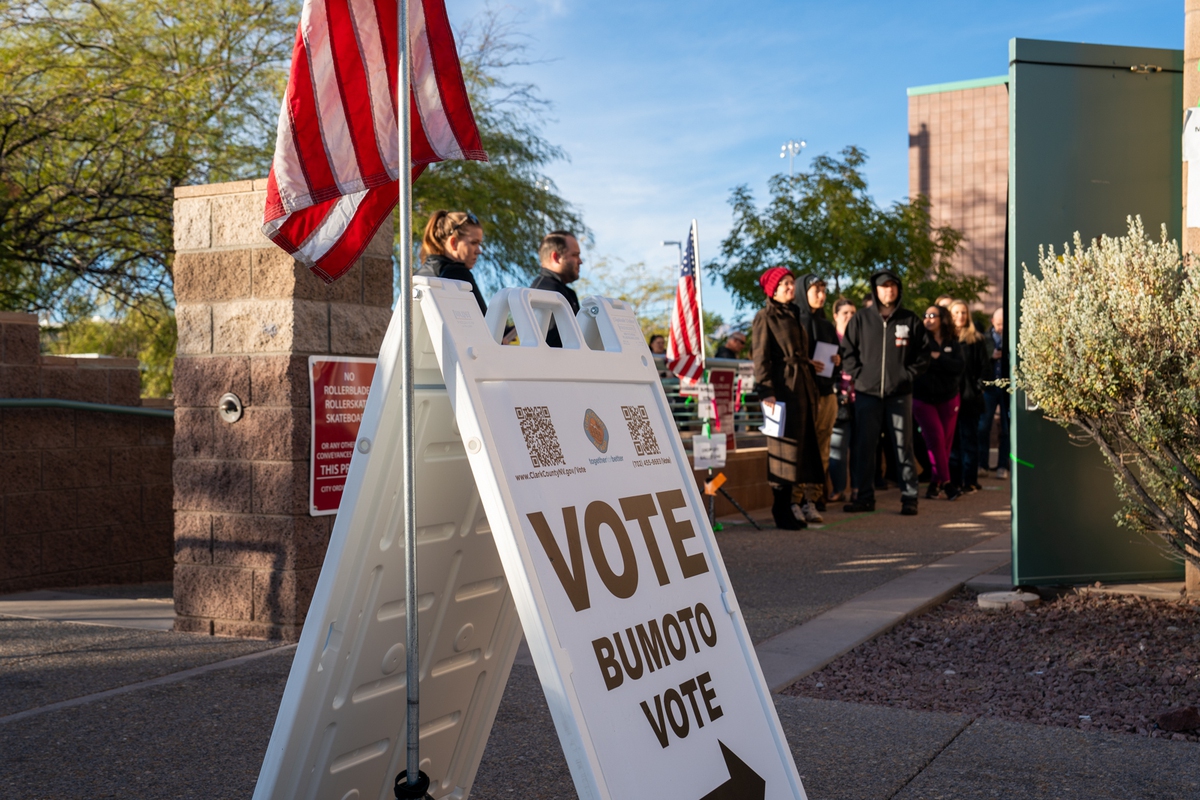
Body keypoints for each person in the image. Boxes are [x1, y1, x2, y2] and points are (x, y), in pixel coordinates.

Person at [839, 270, 930, 515]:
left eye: (893, 286)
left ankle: (909, 497)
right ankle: (864, 497)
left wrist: (906, 376)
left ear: (898, 289)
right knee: (865, 447)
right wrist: (860, 375)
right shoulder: (861, 319)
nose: (888, 290)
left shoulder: (910, 320)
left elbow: (923, 356)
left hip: (899, 394)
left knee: (903, 445)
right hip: (867, 394)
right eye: (883, 286)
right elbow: (847, 352)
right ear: (875, 290)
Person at [752, 267, 825, 530]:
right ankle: (780, 508)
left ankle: (790, 506)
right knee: (782, 447)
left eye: (792, 283)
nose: (790, 287)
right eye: (784, 283)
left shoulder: (794, 314)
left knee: (801, 447)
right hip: (780, 392)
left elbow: (796, 351)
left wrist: (808, 363)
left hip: (801, 389)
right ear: (772, 288)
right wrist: (766, 393)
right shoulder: (765, 316)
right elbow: (760, 358)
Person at [792, 274, 840, 522]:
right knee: (801, 449)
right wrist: (808, 363)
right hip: (804, 395)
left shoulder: (827, 325)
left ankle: (813, 500)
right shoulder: (795, 322)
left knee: (822, 450)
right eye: (816, 290)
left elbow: (835, 358)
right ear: (804, 292)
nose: (821, 295)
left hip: (827, 394)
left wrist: (836, 362)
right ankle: (795, 501)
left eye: (823, 290)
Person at [912, 305, 964, 499]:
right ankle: (948, 484)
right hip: (923, 400)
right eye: (925, 315)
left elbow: (958, 367)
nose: (928, 319)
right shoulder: (921, 342)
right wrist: (942, 363)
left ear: (942, 319)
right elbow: (921, 365)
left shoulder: (953, 342)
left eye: (932, 315)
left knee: (945, 443)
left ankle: (935, 483)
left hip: (949, 398)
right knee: (936, 439)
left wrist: (939, 358)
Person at [947, 299, 989, 495]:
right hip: (949, 397)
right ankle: (954, 481)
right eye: (955, 313)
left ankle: (969, 481)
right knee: (953, 442)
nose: (960, 316)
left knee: (970, 440)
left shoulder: (977, 339)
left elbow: (984, 368)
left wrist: (979, 387)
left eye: (963, 312)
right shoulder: (946, 339)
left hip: (970, 398)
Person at [416, 210, 486, 313]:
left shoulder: (416, 277)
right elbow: (489, 326)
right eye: (473, 243)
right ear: (454, 243)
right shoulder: (458, 275)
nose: (479, 251)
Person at [530, 231, 582, 348]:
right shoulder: (546, 292)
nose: (580, 261)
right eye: (575, 255)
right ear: (556, 257)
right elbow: (550, 345)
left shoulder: (562, 291)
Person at [829, 297, 857, 502]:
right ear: (835, 315)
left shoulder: (862, 337)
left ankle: (858, 489)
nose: (849, 317)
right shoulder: (830, 338)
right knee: (837, 448)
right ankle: (838, 489)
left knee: (860, 448)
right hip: (837, 400)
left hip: (861, 399)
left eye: (853, 313)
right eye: (845, 313)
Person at [978, 307, 1010, 479]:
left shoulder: (1012, 336)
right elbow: (979, 362)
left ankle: (1002, 466)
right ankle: (982, 464)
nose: (1001, 327)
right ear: (992, 321)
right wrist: (992, 356)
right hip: (989, 388)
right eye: (998, 324)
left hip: (1006, 388)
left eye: (1003, 324)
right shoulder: (984, 338)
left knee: (1006, 428)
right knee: (983, 427)